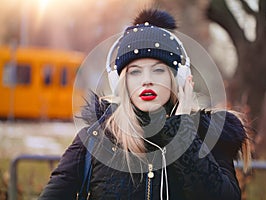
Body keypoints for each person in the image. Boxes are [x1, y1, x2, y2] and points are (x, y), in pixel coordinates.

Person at [39, 8, 251, 200]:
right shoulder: (94, 139)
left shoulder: (208, 136)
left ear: (177, 79)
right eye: (135, 71)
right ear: (120, 82)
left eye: (158, 70)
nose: (146, 80)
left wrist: (183, 130)